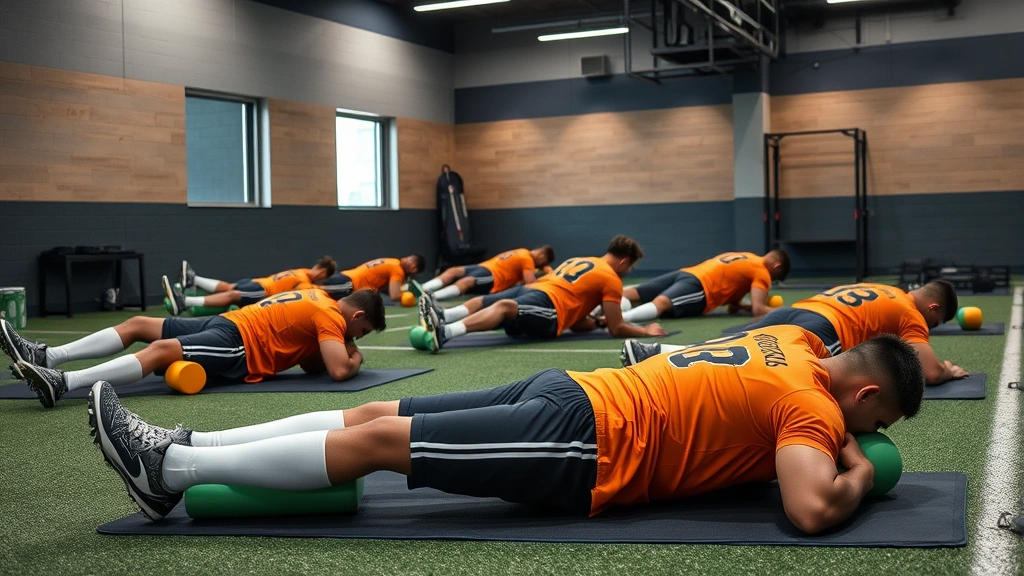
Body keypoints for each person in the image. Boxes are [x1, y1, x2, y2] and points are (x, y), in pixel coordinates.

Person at [87, 326, 924, 535]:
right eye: (877, 420)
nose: (869, 435)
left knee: (381, 424)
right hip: (589, 436)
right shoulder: (816, 413)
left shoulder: (801, 342)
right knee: (381, 428)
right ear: (865, 401)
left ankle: (179, 459)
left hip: (587, 399)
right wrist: (857, 468)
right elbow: (812, 509)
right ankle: (175, 468)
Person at [1, 289, 386, 408]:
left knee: (152, 338)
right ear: (355, 319)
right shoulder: (331, 319)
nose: (358, 340)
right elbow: (338, 370)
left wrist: (337, 351)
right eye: (363, 332)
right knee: (153, 338)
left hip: (233, 326)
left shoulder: (319, 297)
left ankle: (59, 374)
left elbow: (312, 366)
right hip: (239, 343)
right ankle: (52, 365)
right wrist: (356, 355)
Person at [622, 280, 966, 386]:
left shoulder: (884, 288)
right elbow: (930, 372)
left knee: (733, 346)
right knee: (746, 367)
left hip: (797, 309)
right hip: (822, 328)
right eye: (934, 324)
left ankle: (656, 353)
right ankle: (660, 362)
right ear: (933, 309)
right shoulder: (912, 314)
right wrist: (949, 371)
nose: (929, 329)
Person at [417, 235, 666, 353]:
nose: (629, 270)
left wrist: (592, 323)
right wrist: (645, 331)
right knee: (501, 305)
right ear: (624, 261)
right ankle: (446, 331)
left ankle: (446, 315)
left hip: (537, 290)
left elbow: (578, 321)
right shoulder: (611, 279)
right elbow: (617, 328)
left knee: (488, 300)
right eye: (631, 266)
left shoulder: (582, 259)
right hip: (550, 307)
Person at [620, 250, 790, 324]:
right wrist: (785, 310)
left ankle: (601, 309)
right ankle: (620, 319)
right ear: (775, 266)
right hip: (700, 287)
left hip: (686, 273)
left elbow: (733, 303)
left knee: (631, 293)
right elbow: (759, 310)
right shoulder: (763, 273)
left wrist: (742, 306)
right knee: (661, 303)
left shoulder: (749, 257)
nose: (770, 282)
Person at [167, 257, 337, 315]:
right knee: (230, 291)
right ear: (323, 273)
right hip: (259, 286)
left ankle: (189, 291)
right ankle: (189, 290)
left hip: (260, 286)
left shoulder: (304, 276)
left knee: (230, 292)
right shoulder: (305, 277)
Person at [410, 246, 555, 301]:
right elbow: (530, 282)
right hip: (485, 267)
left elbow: (528, 283)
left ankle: (431, 295)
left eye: (541, 253)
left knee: (466, 281)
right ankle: (422, 288)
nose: (537, 252)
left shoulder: (526, 256)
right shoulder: (527, 257)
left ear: (542, 259)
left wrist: (545, 270)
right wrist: (547, 272)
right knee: (453, 271)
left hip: (493, 276)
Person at [319, 255, 425, 303]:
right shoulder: (398, 270)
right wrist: (409, 295)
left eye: (413, 263)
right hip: (349, 284)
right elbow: (394, 295)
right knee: (314, 291)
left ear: (414, 270)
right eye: (411, 259)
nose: (408, 261)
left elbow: (383, 289)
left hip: (348, 280)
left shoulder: (394, 262)